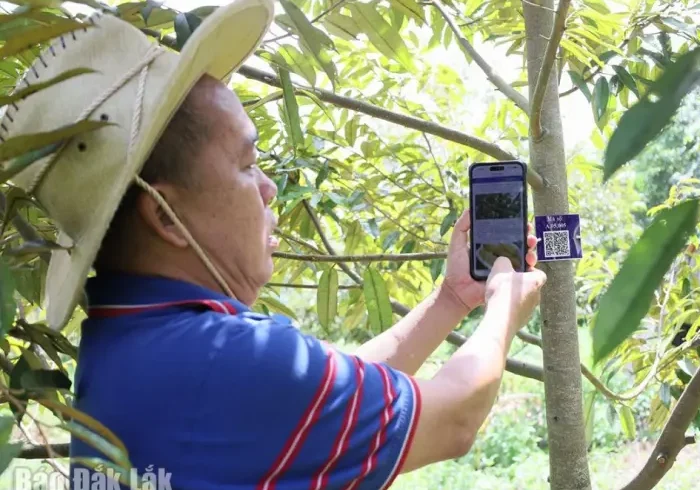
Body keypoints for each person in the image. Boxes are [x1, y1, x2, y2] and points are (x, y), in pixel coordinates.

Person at [3, 1, 546, 488]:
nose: (268, 188)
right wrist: (504, 305)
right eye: (247, 164)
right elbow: (454, 418)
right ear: (166, 215)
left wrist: (451, 300)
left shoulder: (128, 342)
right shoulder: (221, 361)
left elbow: (325, 390)